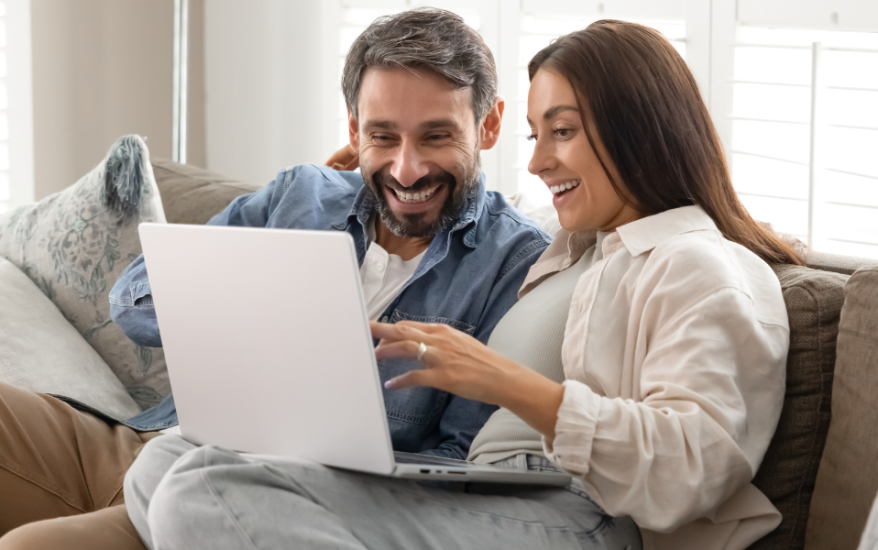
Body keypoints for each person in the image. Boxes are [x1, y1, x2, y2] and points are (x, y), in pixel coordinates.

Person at [115, 18, 802, 550]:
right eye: (534, 134)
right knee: (165, 462)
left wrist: (503, 381)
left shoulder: (701, 266)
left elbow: (696, 465)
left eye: (560, 131)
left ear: (640, 130)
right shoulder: (581, 252)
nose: (534, 161)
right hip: (479, 488)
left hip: (576, 516)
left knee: (198, 493)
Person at [0, 8, 550, 548]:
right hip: (142, 437)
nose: (407, 169)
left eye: (435, 137)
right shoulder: (303, 194)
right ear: (355, 129)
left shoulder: (515, 261)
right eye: (383, 137)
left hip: (260, 491)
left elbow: (459, 466)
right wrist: (254, 284)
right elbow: (132, 304)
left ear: (490, 124)